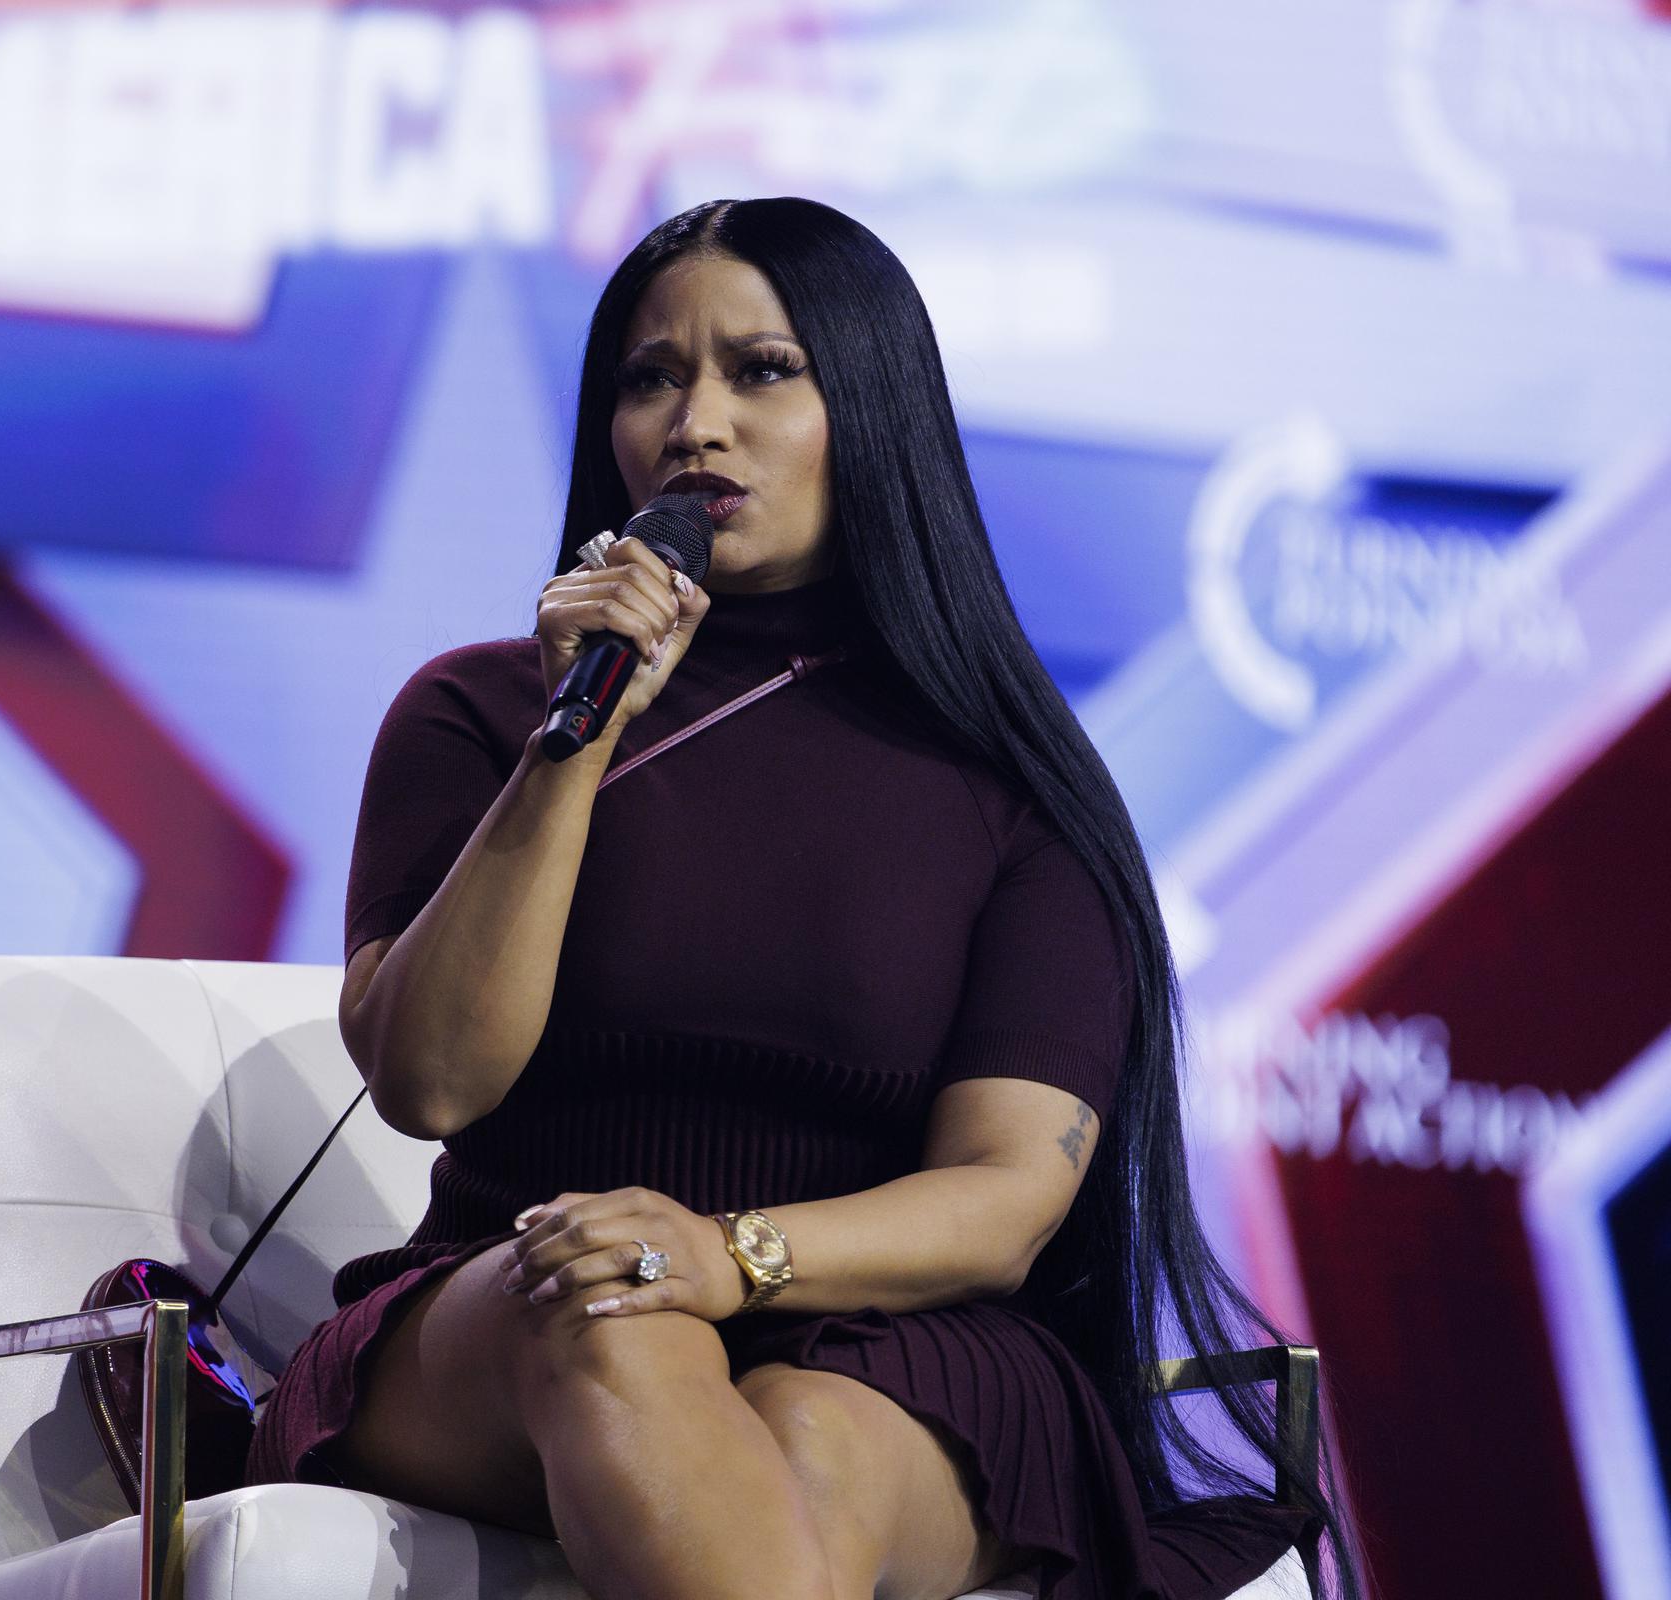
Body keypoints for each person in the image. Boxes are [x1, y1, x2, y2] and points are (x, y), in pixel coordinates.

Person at [245, 197, 1357, 1600]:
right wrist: (570, 745)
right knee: (608, 1299)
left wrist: (729, 1255)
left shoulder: (1009, 780)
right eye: (653, 377)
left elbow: (1007, 1194)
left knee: (807, 1442)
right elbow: (434, 1082)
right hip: (518, 1293)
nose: (696, 423)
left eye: (764, 371)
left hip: (888, 1333)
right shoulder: (479, 711)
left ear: (874, 408)